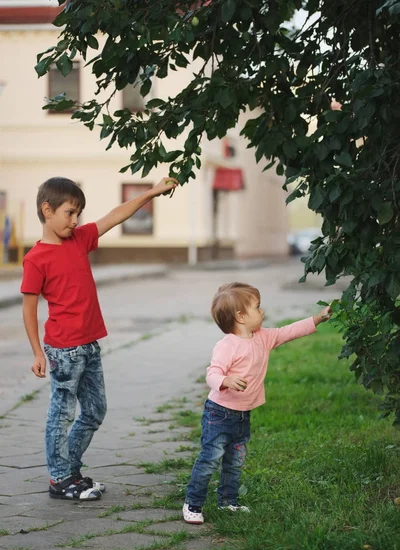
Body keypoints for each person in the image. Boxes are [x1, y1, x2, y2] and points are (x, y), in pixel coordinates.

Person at [21, 175, 178, 501]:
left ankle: (69, 468)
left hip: (89, 344)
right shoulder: (36, 259)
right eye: (70, 213)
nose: (76, 220)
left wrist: (152, 193)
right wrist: (37, 353)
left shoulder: (79, 239)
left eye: (79, 213)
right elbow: (29, 309)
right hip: (63, 349)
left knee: (94, 410)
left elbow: (116, 215)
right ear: (47, 210)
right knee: (61, 414)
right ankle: (59, 479)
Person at [183, 282, 331, 524]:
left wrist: (317, 318)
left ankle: (228, 502)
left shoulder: (263, 338)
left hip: (243, 415)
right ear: (241, 316)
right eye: (257, 307)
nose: (262, 311)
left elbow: (288, 331)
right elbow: (212, 373)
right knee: (210, 459)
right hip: (219, 415)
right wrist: (226, 380)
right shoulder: (227, 345)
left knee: (235, 461)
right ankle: (193, 502)